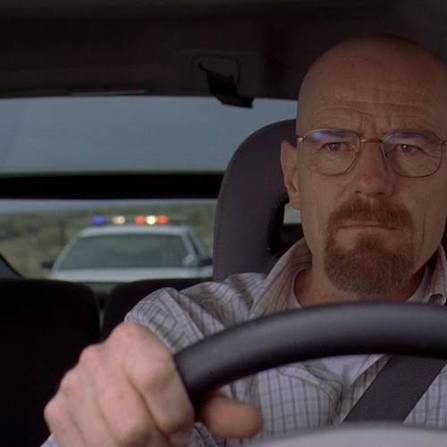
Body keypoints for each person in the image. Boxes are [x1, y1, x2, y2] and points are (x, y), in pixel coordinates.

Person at [43, 35, 447, 446]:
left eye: (410, 147)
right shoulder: (179, 331)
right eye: (335, 145)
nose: (371, 180)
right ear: (293, 178)